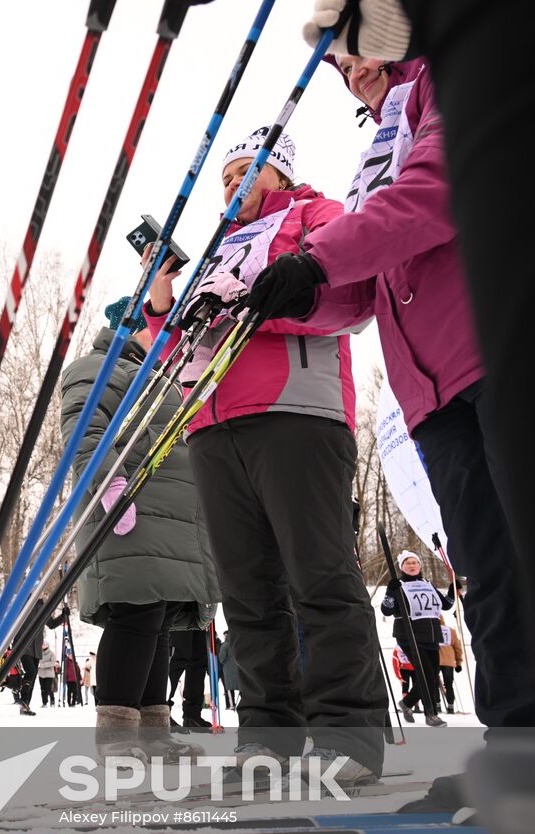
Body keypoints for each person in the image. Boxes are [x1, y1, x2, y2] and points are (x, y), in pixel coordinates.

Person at [246, 49, 534, 730]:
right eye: (338, 62)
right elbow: (363, 289)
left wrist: (314, 257)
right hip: (429, 394)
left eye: (359, 43)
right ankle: (522, 758)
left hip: (500, 347)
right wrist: (289, 294)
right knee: (487, 573)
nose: (351, 66)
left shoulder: (447, 83)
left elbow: (437, 194)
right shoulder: (378, 147)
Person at [146, 127, 388, 785]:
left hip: (297, 412)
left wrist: (258, 303)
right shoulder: (213, 253)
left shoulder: (316, 216)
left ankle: (349, 732)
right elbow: (175, 356)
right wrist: (164, 301)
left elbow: (354, 297)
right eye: (223, 178)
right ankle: (269, 737)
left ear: (278, 175)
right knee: (248, 592)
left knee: (320, 576)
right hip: (212, 425)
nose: (232, 185)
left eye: (246, 172)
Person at [61, 310, 221, 760]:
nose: (170, 339)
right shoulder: (100, 365)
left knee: (159, 621)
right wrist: (109, 485)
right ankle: (116, 740)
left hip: (169, 520)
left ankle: (153, 733)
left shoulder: (161, 377)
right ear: (131, 327)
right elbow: (84, 428)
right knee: (135, 616)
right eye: (161, 330)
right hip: (129, 509)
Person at [381, 550, 455, 726]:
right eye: (407, 563)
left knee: (432, 675)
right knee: (426, 674)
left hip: (431, 636)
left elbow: (446, 605)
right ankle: (431, 715)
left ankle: (406, 703)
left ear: (420, 566)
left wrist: (453, 589)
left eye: (415, 562)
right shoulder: (398, 584)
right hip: (409, 636)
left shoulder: (426, 583)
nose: (412, 566)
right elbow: (386, 610)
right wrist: (391, 593)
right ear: (401, 567)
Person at [437, 601, 465, 715]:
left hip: (435, 661)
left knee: (434, 684)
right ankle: (450, 707)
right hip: (449, 662)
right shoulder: (450, 630)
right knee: (449, 684)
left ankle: (437, 705)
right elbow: (457, 647)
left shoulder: (430, 631)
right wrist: (459, 662)